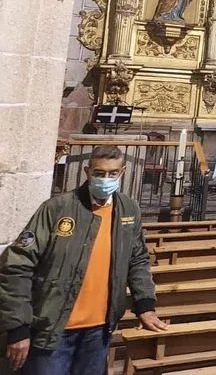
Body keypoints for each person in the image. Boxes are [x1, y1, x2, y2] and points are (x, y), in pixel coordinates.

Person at [0, 145, 167, 374]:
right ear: (87, 172)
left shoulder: (128, 209)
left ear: (122, 172)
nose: (105, 179)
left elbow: (137, 260)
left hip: (99, 331)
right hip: (52, 328)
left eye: (112, 173)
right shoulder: (57, 208)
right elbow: (17, 265)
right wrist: (18, 326)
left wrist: (145, 306)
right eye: (99, 173)